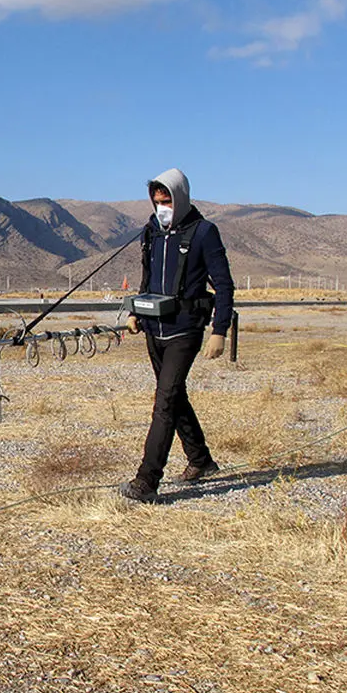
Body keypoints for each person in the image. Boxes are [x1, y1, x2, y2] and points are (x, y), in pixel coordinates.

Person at [120, 168, 235, 504]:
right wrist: (135, 312)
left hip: (185, 330)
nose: (161, 207)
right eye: (156, 201)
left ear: (180, 198)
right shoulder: (151, 233)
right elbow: (147, 278)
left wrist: (220, 330)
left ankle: (146, 481)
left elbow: (224, 285)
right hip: (153, 329)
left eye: (166, 200)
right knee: (174, 396)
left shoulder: (204, 233)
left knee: (164, 402)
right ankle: (201, 461)